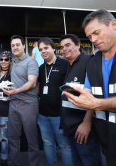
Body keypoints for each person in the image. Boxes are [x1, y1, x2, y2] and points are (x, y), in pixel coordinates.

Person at [63, 10, 116, 166]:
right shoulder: (93, 62)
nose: (94, 40)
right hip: (106, 141)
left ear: (114, 24)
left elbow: (95, 102)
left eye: (97, 33)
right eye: (90, 37)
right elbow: (90, 94)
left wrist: (98, 104)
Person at [60, 34, 102, 166]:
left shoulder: (89, 61)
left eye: (68, 45)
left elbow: (94, 94)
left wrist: (87, 122)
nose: (64, 49)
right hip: (71, 129)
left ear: (78, 45)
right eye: (61, 47)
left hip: (84, 129)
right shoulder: (70, 65)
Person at [2, 35, 39, 166]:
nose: (15, 47)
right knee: (12, 138)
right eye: (13, 45)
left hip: (28, 105)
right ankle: (13, 163)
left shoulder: (31, 61)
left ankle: (33, 164)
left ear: (24, 46)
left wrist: (16, 91)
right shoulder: (14, 62)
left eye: (18, 44)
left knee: (31, 139)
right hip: (13, 104)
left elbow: (32, 83)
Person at [37, 37, 73, 166]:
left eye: (46, 48)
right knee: (47, 143)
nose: (43, 51)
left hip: (60, 114)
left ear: (53, 48)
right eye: (40, 49)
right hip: (42, 115)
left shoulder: (65, 65)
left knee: (65, 146)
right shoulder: (41, 68)